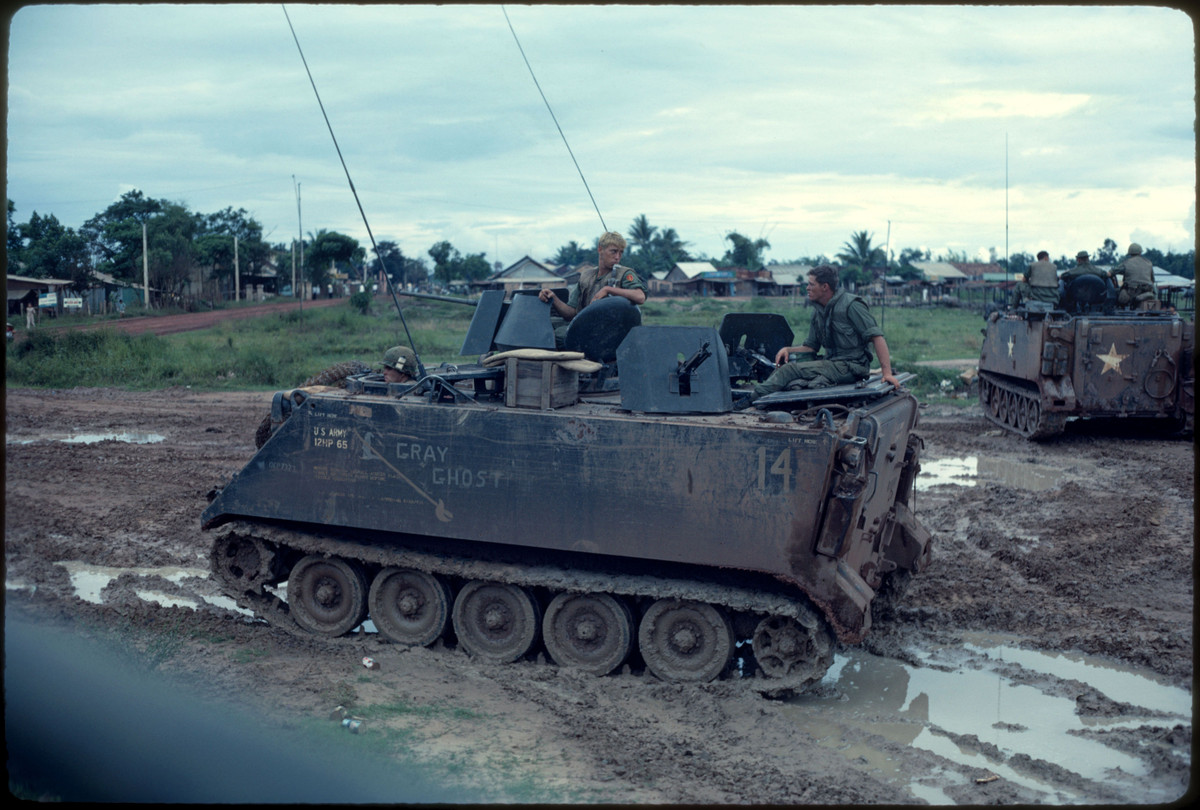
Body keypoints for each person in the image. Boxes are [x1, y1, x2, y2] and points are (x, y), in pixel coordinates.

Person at [743, 265, 899, 405]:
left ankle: (750, 400)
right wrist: (788, 350)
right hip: (833, 364)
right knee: (792, 381)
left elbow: (877, 337)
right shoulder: (818, 311)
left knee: (788, 371)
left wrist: (887, 373)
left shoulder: (851, 306)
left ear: (825, 287)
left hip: (852, 366)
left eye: (811, 284)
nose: (807, 288)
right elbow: (811, 347)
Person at [540, 231, 647, 348]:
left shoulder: (624, 274)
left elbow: (640, 297)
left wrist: (609, 289)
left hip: (607, 331)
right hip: (584, 323)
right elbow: (570, 313)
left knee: (559, 334)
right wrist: (553, 297)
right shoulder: (586, 276)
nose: (617, 257)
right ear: (600, 249)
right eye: (613, 251)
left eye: (621, 253)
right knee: (542, 324)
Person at [1109, 243, 1156, 308]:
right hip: (1146, 293)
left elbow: (1111, 273)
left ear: (1130, 253)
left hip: (1130, 294)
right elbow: (1152, 281)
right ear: (1140, 252)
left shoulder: (1126, 263)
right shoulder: (1149, 263)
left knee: (1116, 295)